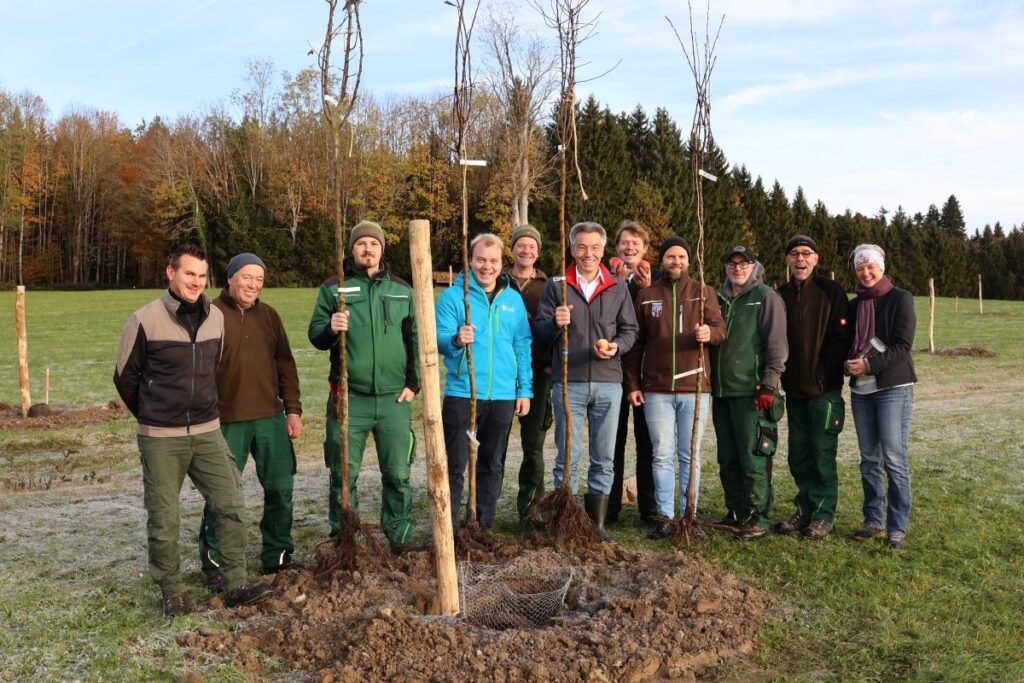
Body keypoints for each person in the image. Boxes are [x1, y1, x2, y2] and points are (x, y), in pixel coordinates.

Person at [113, 244, 272, 617]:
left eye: (202, 277)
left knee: (231, 505)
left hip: (207, 432)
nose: (196, 282)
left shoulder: (215, 317)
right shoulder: (144, 320)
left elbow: (213, 367)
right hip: (161, 439)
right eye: (189, 274)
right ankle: (172, 590)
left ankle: (235, 584)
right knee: (165, 518)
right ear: (171, 273)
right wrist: (153, 413)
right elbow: (125, 378)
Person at [308, 220, 420, 551]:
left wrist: (413, 383)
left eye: (374, 243)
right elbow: (316, 335)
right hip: (349, 398)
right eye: (361, 244)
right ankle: (346, 540)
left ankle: (399, 536)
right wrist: (330, 327)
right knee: (344, 476)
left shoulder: (401, 290)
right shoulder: (334, 287)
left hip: (393, 401)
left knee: (398, 474)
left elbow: (413, 338)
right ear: (352, 249)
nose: (367, 249)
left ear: (382, 249)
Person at [198, 253, 303, 588]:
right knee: (223, 494)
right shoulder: (209, 314)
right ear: (230, 278)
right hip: (225, 420)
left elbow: (285, 364)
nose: (253, 284)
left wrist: (293, 409)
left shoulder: (269, 316)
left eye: (259, 279)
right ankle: (217, 561)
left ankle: (278, 555)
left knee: (280, 488)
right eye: (246, 277)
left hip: (269, 418)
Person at [534, 221, 638, 541]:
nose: (588, 253)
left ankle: (597, 524)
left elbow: (629, 331)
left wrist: (616, 347)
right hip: (570, 381)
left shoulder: (617, 287)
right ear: (572, 249)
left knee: (604, 455)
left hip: (608, 382)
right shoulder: (557, 286)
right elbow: (540, 330)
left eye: (594, 247)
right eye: (581, 247)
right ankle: (564, 520)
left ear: (603, 250)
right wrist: (555, 322)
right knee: (568, 454)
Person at [623, 236, 725, 540]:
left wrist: (711, 333)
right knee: (662, 454)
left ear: (689, 261)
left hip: (695, 387)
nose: (675, 261)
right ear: (662, 260)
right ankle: (664, 516)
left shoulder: (704, 292)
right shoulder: (646, 295)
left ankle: (689, 515)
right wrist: (633, 384)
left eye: (681, 257)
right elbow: (635, 345)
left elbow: (721, 330)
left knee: (690, 454)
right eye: (670, 257)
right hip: (657, 390)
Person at [437, 233, 533, 530]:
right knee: (455, 464)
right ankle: (450, 529)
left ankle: (482, 525)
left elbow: (522, 345)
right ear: (470, 260)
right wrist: (455, 339)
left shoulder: (513, 300)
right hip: (463, 393)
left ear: (501, 263)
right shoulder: (453, 298)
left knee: (491, 463)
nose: (486, 267)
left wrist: (524, 389)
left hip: (503, 395)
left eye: (493, 261)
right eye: (480, 260)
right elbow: (437, 339)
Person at [776, 235, 853, 540]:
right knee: (799, 454)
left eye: (806, 253)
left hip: (824, 392)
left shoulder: (831, 292)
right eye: (794, 254)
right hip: (794, 391)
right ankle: (804, 509)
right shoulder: (780, 295)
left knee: (822, 454)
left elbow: (840, 339)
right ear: (787, 260)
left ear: (816, 259)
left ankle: (823, 513)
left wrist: (823, 374)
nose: (800, 259)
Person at [710, 246, 788, 541]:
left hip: (752, 391)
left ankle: (757, 515)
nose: (738, 268)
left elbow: (776, 345)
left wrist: (769, 382)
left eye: (744, 264)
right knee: (727, 456)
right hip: (721, 391)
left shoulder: (765, 297)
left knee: (753, 454)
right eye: (732, 263)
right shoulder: (717, 299)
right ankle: (735, 509)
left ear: (754, 266)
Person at [844, 244, 917, 550]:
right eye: (861, 268)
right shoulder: (852, 305)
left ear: (882, 267)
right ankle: (873, 520)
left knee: (894, 459)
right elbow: (844, 341)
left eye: (871, 266)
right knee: (868, 460)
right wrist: (846, 364)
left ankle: (897, 526)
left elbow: (902, 345)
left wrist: (869, 365)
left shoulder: (900, 298)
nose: (866, 272)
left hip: (892, 390)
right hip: (862, 393)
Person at [503, 224, 553, 523]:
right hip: (500, 370)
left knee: (533, 443)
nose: (526, 250)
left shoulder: (549, 285)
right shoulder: (497, 280)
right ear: (513, 249)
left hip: (537, 371)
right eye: (521, 245)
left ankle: (532, 505)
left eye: (532, 246)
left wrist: (549, 363)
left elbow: (559, 327)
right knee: (492, 440)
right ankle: (483, 504)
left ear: (538, 251)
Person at [608, 221, 657, 526]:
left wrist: (647, 289)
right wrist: (616, 284)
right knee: (612, 441)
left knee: (647, 441)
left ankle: (649, 508)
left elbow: (658, 325)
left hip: (644, 373)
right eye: (625, 242)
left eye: (636, 243)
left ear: (645, 248)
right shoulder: (606, 279)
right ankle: (609, 506)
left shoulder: (657, 281)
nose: (630, 248)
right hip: (612, 370)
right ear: (617, 248)